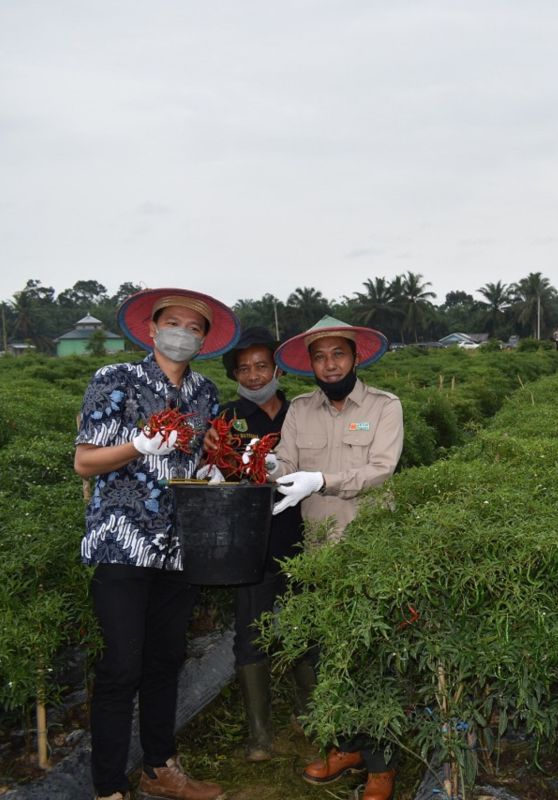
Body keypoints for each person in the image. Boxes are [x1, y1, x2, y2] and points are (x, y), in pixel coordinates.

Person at [74, 288, 239, 800]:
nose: (183, 333)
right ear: (151, 328)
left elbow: (196, 461)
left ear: (204, 340)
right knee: (122, 665)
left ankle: (159, 768)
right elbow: (84, 461)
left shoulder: (204, 394)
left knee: (166, 658)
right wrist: (137, 446)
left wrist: (215, 466)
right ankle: (107, 788)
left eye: (195, 328)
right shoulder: (114, 379)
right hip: (122, 541)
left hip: (177, 545)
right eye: (175, 323)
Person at [268, 316, 403, 800]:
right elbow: (284, 460)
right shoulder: (300, 410)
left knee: (372, 655)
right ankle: (349, 745)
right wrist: (267, 466)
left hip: (370, 548)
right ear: (311, 364)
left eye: (338, 355)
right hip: (320, 551)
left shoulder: (385, 407)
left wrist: (321, 480)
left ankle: (382, 763)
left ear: (355, 356)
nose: (329, 365)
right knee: (329, 654)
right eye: (320, 357)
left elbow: (382, 469)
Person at [202, 327, 310, 763]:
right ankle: (260, 736)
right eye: (243, 368)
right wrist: (211, 454)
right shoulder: (225, 418)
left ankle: (311, 714)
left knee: (306, 626)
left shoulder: (302, 412)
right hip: (249, 545)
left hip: (303, 539)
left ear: (278, 368)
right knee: (251, 634)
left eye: (261, 365)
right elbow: (213, 479)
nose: (252, 375)